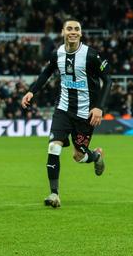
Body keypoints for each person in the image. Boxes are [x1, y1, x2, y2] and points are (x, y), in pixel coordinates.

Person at [21, 19, 112, 208]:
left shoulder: (91, 55)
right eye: (69, 28)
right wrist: (32, 91)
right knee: (53, 147)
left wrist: (99, 107)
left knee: (78, 156)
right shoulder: (57, 53)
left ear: (81, 33)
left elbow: (108, 81)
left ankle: (95, 156)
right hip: (63, 109)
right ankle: (54, 194)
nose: (73, 32)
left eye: (76, 29)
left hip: (85, 113)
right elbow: (46, 73)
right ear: (63, 31)